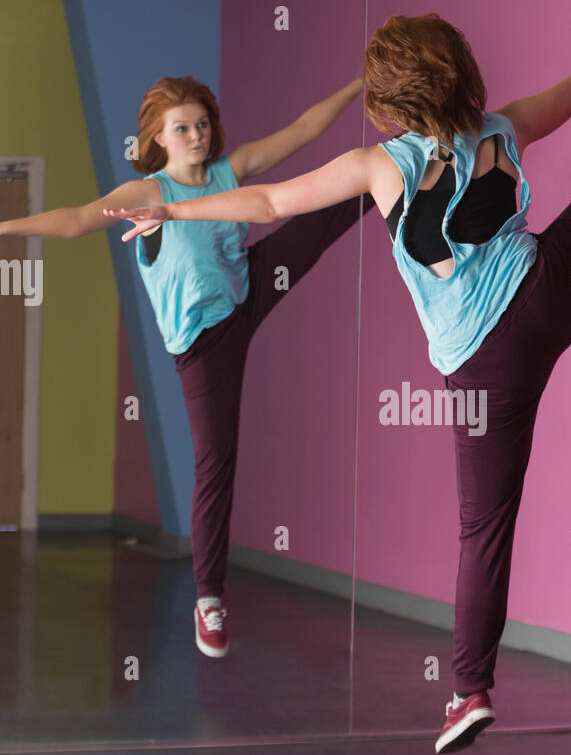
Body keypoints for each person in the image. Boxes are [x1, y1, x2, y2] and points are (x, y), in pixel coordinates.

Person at [112, 8, 571, 751]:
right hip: (549, 290)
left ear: (387, 102)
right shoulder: (506, 125)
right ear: (459, 75)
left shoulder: (380, 166)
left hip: (484, 364)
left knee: (484, 526)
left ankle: (471, 690)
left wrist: (171, 209)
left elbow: (269, 201)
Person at [1, 73, 375, 658]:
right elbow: (75, 220)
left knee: (334, 204)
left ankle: (408, 168)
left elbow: (304, 129)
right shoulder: (148, 194)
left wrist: (358, 85)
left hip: (249, 288)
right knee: (215, 463)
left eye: (202, 124)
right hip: (204, 344)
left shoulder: (231, 169)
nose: (197, 136)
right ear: (159, 138)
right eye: (183, 129)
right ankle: (208, 600)